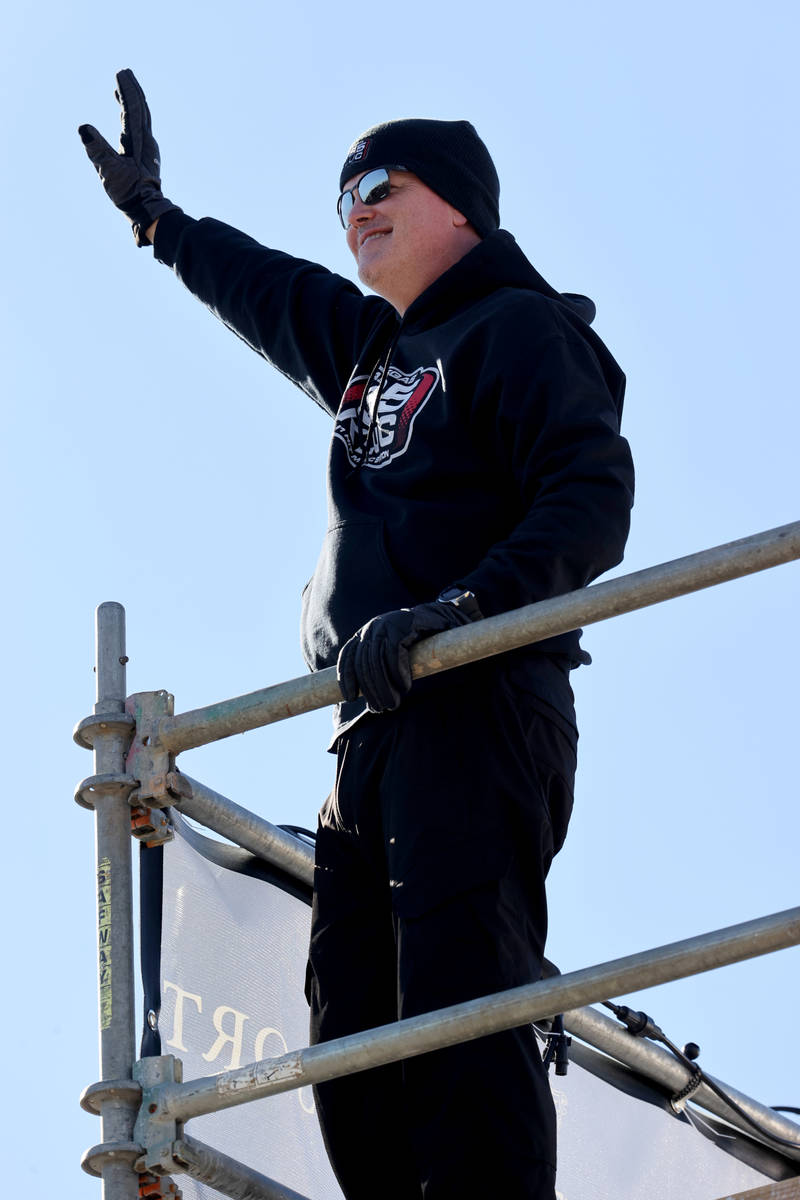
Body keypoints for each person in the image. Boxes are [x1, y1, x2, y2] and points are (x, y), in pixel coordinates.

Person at [80, 70, 634, 1200]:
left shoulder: (519, 330)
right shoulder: (372, 355)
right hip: (369, 722)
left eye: (381, 184)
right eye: (342, 195)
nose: (356, 209)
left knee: (458, 993)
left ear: (460, 208)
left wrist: (467, 610)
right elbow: (265, 289)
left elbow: (587, 493)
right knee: (348, 1018)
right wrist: (157, 220)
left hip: (474, 694)